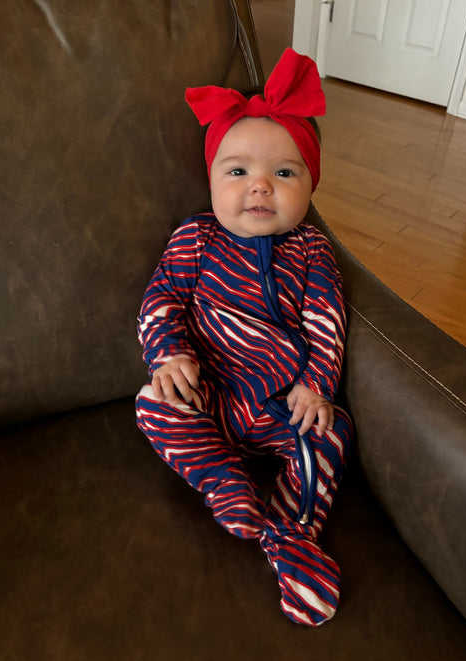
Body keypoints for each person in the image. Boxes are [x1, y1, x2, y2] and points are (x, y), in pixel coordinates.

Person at [135, 48, 353, 627]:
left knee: (333, 435)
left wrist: (315, 385)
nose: (260, 187)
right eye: (238, 172)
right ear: (210, 180)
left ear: (310, 186)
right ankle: (224, 483)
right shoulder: (196, 239)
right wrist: (169, 353)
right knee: (153, 404)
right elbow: (161, 300)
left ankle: (288, 535)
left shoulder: (312, 250)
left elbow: (327, 321)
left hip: (281, 405)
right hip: (212, 394)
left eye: (283, 173)